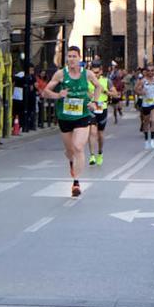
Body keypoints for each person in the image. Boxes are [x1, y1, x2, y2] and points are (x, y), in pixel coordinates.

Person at [41, 46, 101, 197]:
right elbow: (45, 91)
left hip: (82, 115)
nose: (71, 59)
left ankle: (76, 182)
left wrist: (94, 102)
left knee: (78, 147)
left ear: (80, 58)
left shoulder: (87, 74)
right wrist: (58, 95)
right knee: (70, 151)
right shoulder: (61, 74)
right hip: (65, 117)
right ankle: (71, 163)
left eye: (74, 56)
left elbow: (98, 86)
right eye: (69, 56)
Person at [87, 60, 118, 166]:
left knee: (100, 134)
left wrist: (105, 91)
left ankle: (100, 152)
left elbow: (116, 94)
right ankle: (91, 155)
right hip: (91, 108)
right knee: (92, 132)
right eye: (93, 72)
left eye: (97, 72)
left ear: (101, 71)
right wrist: (88, 94)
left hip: (102, 107)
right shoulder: (87, 81)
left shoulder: (106, 81)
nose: (95, 75)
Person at [136, 65, 154, 149]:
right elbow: (136, 89)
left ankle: (152, 139)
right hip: (146, 103)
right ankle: (146, 140)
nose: (151, 72)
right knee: (146, 122)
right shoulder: (142, 81)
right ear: (146, 71)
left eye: (152, 70)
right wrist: (141, 92)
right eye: (149, 70)